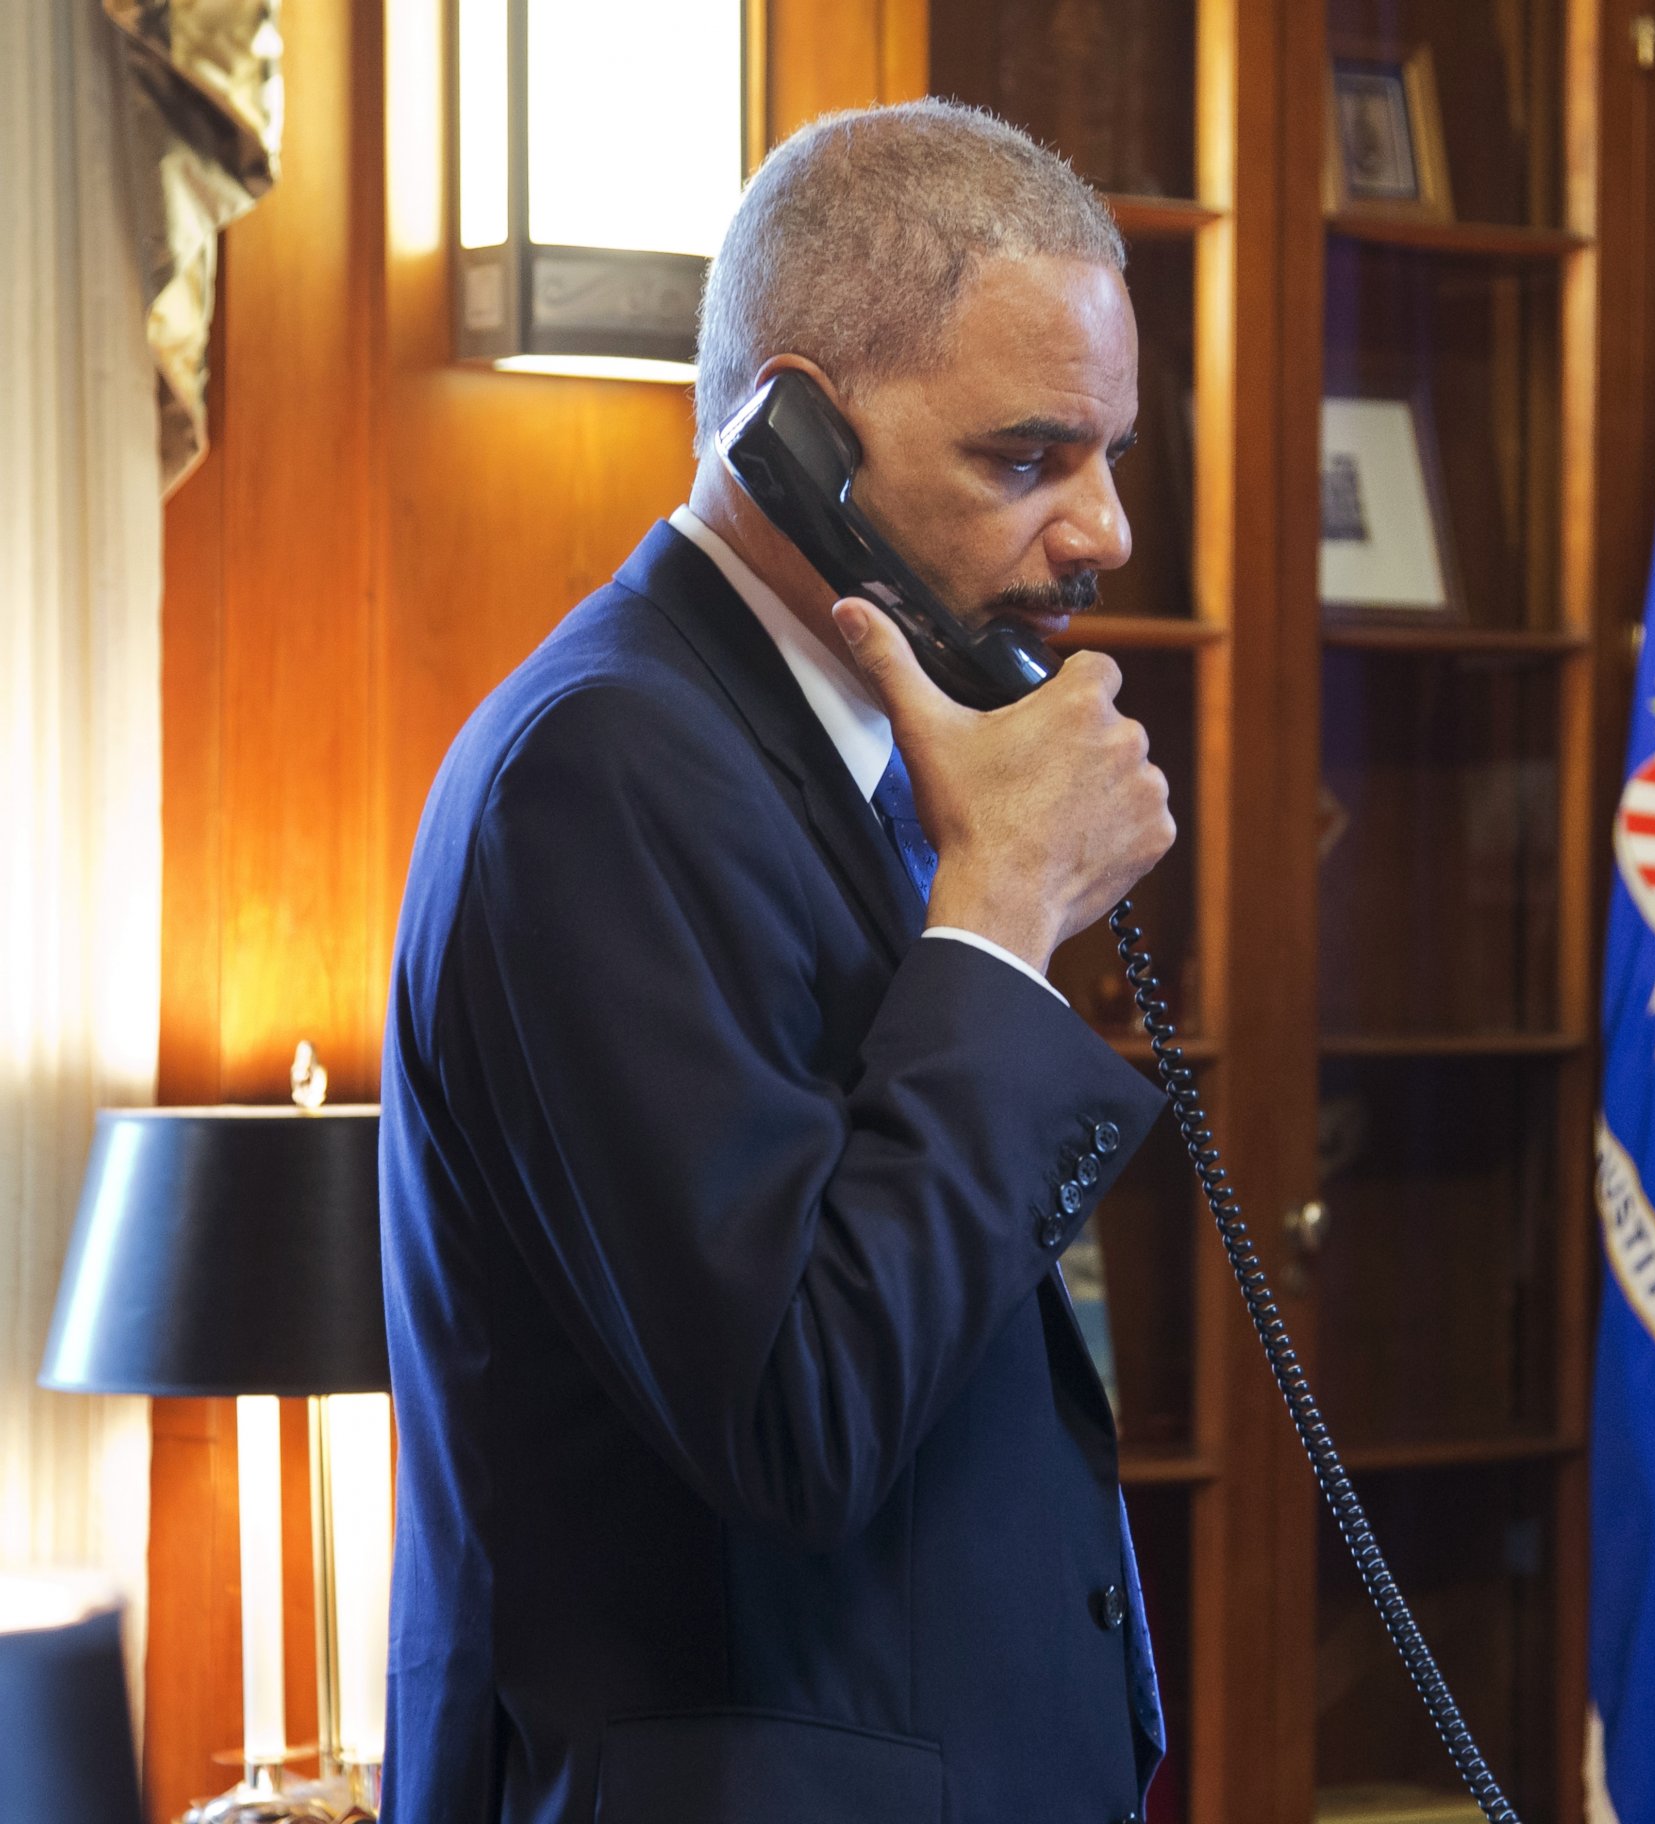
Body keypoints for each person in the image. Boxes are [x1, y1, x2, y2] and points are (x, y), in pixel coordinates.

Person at [378, 101, 1175, 1824]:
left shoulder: (862, 754)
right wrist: (1005, 910)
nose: (1103, 529)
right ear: (794, 435)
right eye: (1028, 459)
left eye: (1111, 452)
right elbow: (798, 1415)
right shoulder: (597, 769)